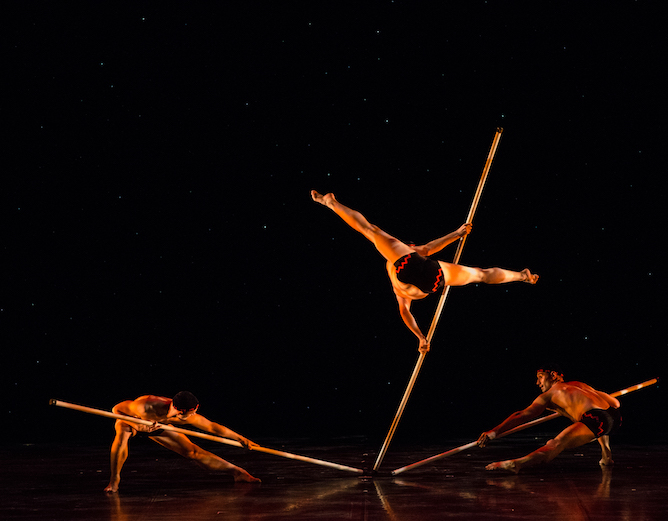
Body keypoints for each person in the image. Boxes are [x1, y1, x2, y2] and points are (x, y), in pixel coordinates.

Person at [311, 190, 538, 352]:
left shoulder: (397, 283)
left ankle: (331, 203)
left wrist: (420, 337)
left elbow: (405, 313)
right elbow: (428, 248)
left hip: (420, 277)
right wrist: (456, 234)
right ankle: (522, 276)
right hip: (434, 276)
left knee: (370, 231)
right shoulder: (410, 255)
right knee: (481, 274)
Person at [103, 392, 261, 493]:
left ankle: (238, 473)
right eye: (190, 414)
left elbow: (213, 428)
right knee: (121, 436)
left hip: (156, 427)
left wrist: (241, 438)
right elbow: (116, 409)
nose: (193, 417)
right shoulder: (146, 405)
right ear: (179, 410)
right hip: (131, 422)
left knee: (193, 452)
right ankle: (114, 480)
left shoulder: (189, 415)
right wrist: (136, 422)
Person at [477, 364, 621, 473]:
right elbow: (615, 403)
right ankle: (606, 455)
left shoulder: (548, 395)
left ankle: (517, 464)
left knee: (555, 443)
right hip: (614, 418)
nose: (537, 383)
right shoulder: (579, 384)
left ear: (553, 375)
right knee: (594, 420)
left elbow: (521, 415)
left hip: (595, 419)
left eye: (540, 377)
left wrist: (494, 432)